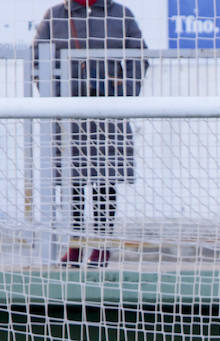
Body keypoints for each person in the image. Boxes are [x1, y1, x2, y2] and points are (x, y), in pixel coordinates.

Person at [32, 0, 148, 269]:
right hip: (68, 116)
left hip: (109, 115)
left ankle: (102, 247)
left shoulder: (121, 15)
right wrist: (56, 98)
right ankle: (74, 246)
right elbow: (38, 60)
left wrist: (122, 97)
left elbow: (138, 59)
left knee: (105, 184)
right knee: (70, 184)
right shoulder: (55, 15)